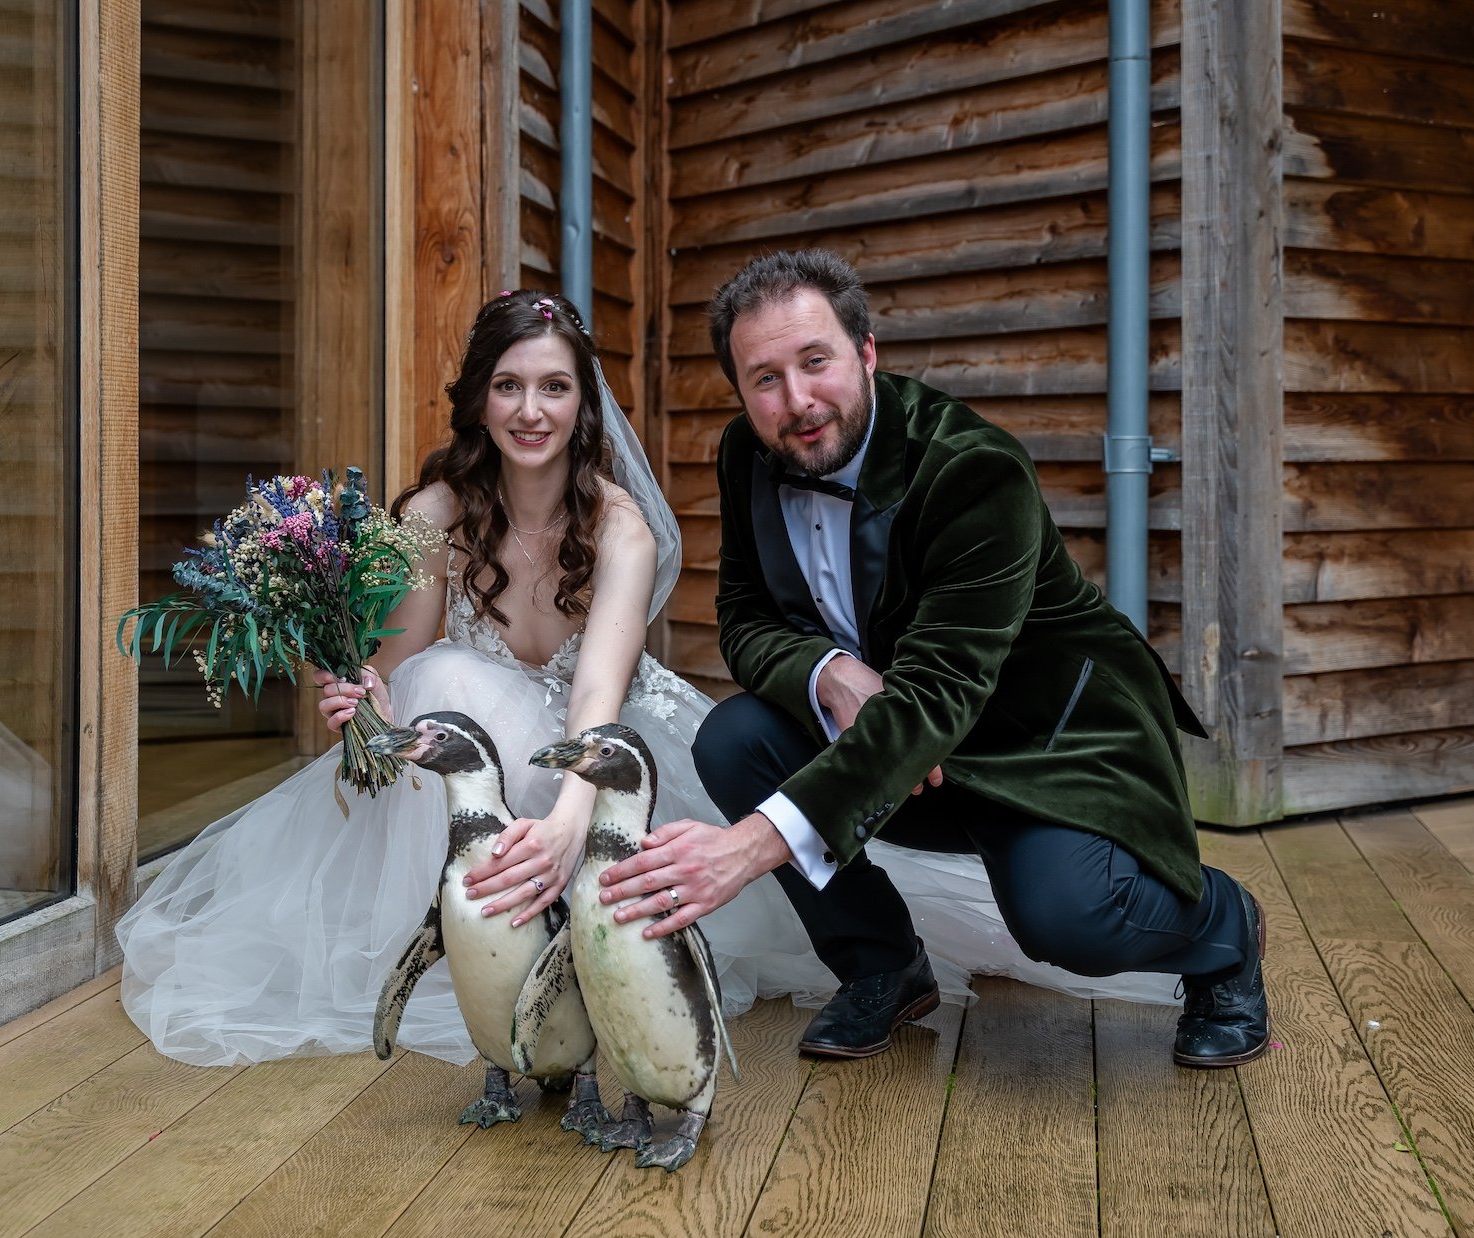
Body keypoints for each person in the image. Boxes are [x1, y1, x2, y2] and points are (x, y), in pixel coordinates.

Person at [117, 288, 1177, 1070]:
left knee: (653, 760)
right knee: (448, 682)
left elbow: (599, 695)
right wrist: (357, 698)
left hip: (608, 738)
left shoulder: (614, 523)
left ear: (583, 404)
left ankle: (874, 936)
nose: (530, 409)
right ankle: (472, 940)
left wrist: (578, 809)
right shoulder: (431, 517)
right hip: (486, 745)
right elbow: (400, 677)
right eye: (508, 386)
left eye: (554, 387)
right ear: (478, 400)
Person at [596, 251, 1271, 1068]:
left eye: (816, 362)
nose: (797, 401)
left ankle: (1226, 928)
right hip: (908, 747)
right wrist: (828, 672)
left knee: (1066, 921)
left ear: (867, 353)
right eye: (764, 378)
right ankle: (882, 965)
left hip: (1044, 744)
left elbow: (938, 695)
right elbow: (742, 617)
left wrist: (747, 847)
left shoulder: (973, 471)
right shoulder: (747, 454)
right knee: (735, 739)